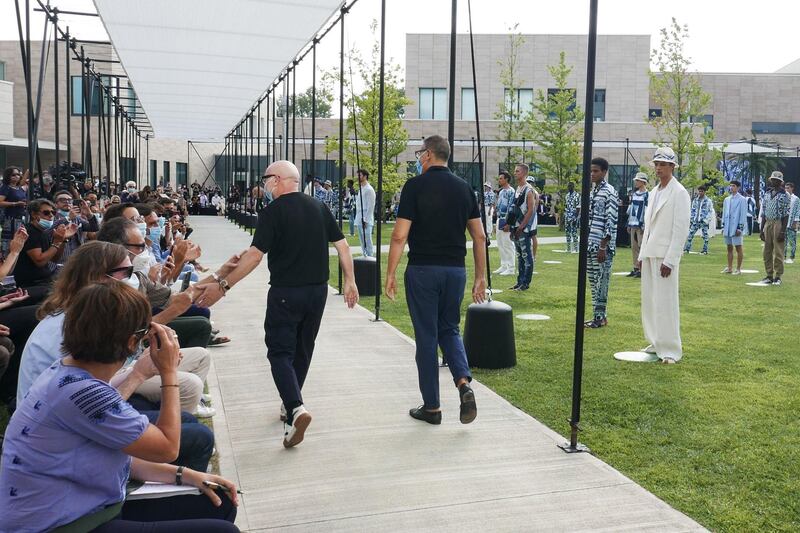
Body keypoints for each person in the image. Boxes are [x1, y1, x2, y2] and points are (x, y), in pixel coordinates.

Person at [0, 283, 239, 532]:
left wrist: (186, 475)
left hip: (77, 509)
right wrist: (168, 372)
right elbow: (168, 447)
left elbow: (115, 457)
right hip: (62, 525)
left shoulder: (65, 372)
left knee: (220, 502)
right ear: (130, 342)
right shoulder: (84, 393)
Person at [193, 160, 358, 448]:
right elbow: (342, 246)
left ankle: (295, 408)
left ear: (279, 180)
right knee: (303, 348)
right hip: (317, 292)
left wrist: (223, 286)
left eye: (267, 178)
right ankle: (291, 404)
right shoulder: (319, 207)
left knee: (280, 352)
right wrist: (350, 281)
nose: (264, 184)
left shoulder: (271, 212)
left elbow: (255, 256)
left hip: (286, 292)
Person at [15, 241, 216, 471]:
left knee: (187, 422)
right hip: (62, 449)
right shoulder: (73, 327)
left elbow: (97, 391)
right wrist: (156, 372)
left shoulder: (79, 315)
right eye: (127, 272)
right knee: (197, 435)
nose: (133, 278)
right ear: (97, 276)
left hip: (68, 424)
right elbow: (165, 446)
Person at [384, 135, 485, 426]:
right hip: (455, 271)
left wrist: (390, 273)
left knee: (427, 337)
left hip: (423, 270)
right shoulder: (465, 188)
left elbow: (400, 235)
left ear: (428, 155)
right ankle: (463, 383)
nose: (418, 158)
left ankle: (432, 408)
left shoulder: (415, 186)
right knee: (449, 329)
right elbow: (478, 236)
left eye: (419, 153)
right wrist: (480, 277)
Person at [635, 147, 690, 364]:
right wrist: (641, 255)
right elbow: (648, 226)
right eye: (656, 164)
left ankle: (670, 350)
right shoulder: (653, 192)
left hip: (665, 256)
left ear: (672, 167)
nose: (658, 168)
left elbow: (681, 230)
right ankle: (656, 341)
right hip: (650, 253)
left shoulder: (680, 193)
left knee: (666, 302)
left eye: (663, 164)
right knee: (650, 301)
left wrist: (670, 260)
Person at [584, 158, 618, 329]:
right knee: (593, 281)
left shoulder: (609, 192)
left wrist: (603, 246)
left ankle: (600, 318)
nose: (592, 174)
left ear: (604, 172)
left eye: (596, 171)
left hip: (602, 247)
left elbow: (610, 221)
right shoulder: (593, 191)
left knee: (601, 282)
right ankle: (598, 316)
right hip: (591, 243)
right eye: (591, 171)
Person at [759, 171, 790, 285]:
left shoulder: (784, 195)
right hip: (768, 222)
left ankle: (778, 276)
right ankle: (769, 275)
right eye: (773, 179)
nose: (774, 181)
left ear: (780, 182)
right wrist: (762, 229)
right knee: (766, 251)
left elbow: (786, 214)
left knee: (778, 251)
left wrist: (782, 231)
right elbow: (763, 212)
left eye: (777, 180)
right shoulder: (767, 193)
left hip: (778, 223)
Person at [509, 164, 536, 291]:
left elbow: (530, 210)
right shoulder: (518, 188)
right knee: (520, 256)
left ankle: (525, 283)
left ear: (524, 173)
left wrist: (522, 227)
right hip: (515, 227)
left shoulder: (528, 190)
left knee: (526, 256)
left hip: (523, 229)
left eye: (517, 171)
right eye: (515, 171)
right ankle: (519, 282)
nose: (515, 173)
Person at [0, 167, 29, 260]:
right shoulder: (5, 187)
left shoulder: (19, 188)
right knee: (10, 243)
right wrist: (15, 203)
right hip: (10, 219)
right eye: (13, 175)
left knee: (20, 240)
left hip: (21, 218)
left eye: (18, 174)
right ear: (8, 176)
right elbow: (0, 202)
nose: (16, 176)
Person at [721, 180, 748, 275]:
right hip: (728, 226)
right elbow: (724, 213)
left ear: (738, 187)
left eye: (733, 186)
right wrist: (723, 226)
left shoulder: (742, 199)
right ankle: (729, 267)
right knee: (729, 247)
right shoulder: (727, 199)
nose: (731, 187)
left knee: (738, 247)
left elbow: (743, 214)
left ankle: (738, 269)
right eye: (730, 186)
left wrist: (740, 228)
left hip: (736, 226)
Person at [626, 173, 649, 277]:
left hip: (641, 225)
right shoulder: (635, 194)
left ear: (643, 182)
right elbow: (631, 210)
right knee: (634, 246)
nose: (635, 182)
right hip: (633, 223)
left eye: (638, 180)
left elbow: (647, 210)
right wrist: (628, 223)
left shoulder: (647, 195)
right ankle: (635, 267)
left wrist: (645, 224)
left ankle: (641, 269)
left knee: (641, 246)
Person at [494, 171, 516, 275]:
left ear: (506, 179)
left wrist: (509, 223)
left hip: (507, 220)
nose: (499, 180)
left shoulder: (511, 191)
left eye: (501, 178)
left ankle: (511, 268)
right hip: (500, 218)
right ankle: (504, 265)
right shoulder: (501, 191)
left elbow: (512, 207)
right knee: (500, 243)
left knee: (507, 243)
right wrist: (496, 222)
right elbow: (498, 206)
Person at [684, 185, 713, 254]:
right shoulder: (695, 200)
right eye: (699, 191)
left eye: (702, 191)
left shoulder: (708, 201)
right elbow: (693, 209)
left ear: (704, 192)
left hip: (703, 221)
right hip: (695, 220)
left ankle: (705, 249)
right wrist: (692, 218)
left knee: (705, 236)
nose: (700, 193)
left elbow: (710, 211)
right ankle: (687, 248)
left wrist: (707, 220)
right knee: (690, 234)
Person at [354, 169, 376, 257]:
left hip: (366, 216)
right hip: (359, 215)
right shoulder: (361, 188)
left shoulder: (369, 189)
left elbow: (371, 206)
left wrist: (366, 220)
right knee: (362, 239)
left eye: (360, 175)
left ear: (365, 176)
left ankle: (370, 256)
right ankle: (365, 255)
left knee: (367, 238)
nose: (358, 177)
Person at [563, 181, 580, 253]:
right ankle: (569, 248)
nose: (569, 188)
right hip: (567, 215)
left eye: (570, 186)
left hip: (574, 216)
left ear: (573, 187)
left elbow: (578, 207)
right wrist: (565, 216)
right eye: (568, 186)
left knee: (574, 232)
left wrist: (575, 217)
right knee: (567, 232)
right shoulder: (566, 196)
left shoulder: (577, 195)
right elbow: (566, 206)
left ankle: (576, 249)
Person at [784, 182, 799, 263]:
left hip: (791, 222)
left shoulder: (796, 199)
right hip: (784, 223)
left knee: (792, 241)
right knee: (783, 241)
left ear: (792, 188)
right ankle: (783, 257)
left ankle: (792, 257)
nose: (786, 189)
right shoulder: (784, 197)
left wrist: (795, 222)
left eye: (788, 188)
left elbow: (797, 211)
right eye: (785, 188)